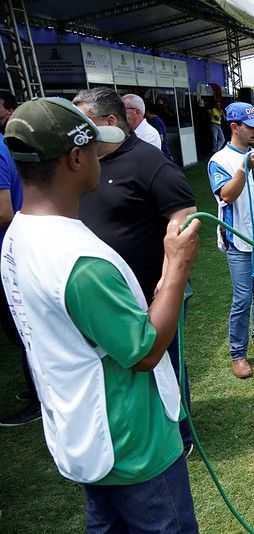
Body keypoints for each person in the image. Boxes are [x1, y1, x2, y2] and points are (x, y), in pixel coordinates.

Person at [1, 96, 200, 532]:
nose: (102, 157)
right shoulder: (80, 262)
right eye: (95, 148)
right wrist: (176, 266)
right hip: (134, 443)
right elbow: (145, 351)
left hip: (83, 432)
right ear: (75, 158)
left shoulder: (18, 234)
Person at [74, 87, 197, 456]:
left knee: (166, 363)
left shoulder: (150, 162)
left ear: (111, 123)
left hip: (152, 293)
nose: (77, 133)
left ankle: (181, 435)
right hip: (108, 294)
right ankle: (137, 432)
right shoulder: (84, 162)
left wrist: (167, 279)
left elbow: (185, 216)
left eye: (84, 124)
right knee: (122, 369)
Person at [208, 102, 254, 379]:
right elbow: (226, 195)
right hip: (239, 241)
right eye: (250, 128)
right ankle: (238, 354)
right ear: (234, 127)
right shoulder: (219, 160)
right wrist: (243, 168)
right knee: (242, 298)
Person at [0, 128, 39, 427]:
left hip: (10, 250)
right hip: (18, 248)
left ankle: (40, 398)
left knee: (23, 330)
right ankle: (37, 391)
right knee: (22, 329)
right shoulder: (7, 145)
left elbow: (3, 212)